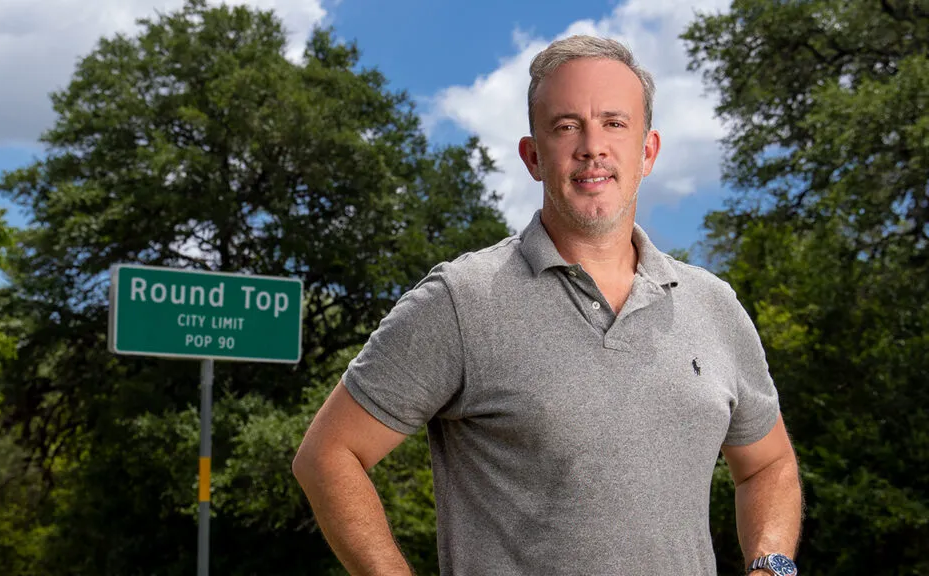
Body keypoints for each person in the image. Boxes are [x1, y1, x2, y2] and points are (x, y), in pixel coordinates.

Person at [292, 35, 803, 576]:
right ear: (533, 157)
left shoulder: (713, 305)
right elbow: (327, 457)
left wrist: (770, 567)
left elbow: (767, 465)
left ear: (647, 151)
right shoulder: (462, 301)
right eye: (566, 126)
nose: (592, 147)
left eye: (614, 123)